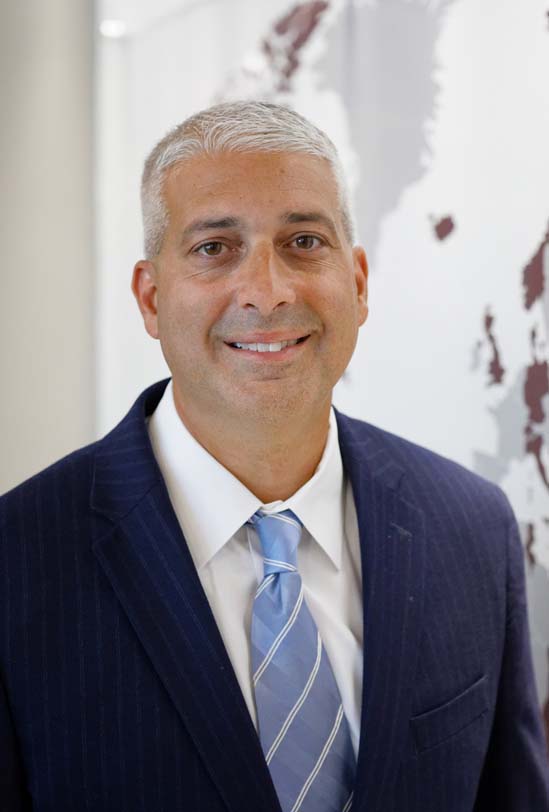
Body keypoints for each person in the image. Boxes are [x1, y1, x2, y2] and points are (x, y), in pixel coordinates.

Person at [1, 101, 548, 812]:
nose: (266, 291)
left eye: (303, 242)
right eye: (213, 248)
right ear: (150, 296)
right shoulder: (16, 562)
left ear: (357, 282)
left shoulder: (470, 527)